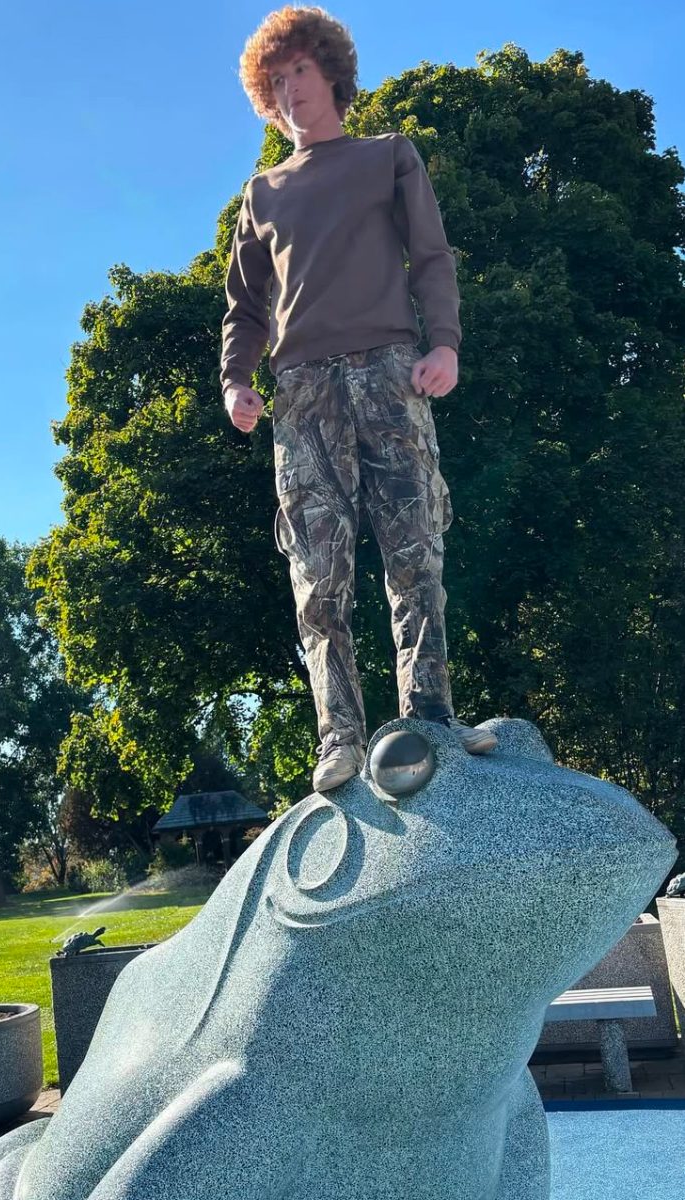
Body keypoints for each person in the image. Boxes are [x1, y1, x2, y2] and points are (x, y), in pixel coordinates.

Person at [220, 5, 497, 792]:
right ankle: (338, 737)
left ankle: (430, 716)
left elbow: (431, 256)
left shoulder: (387, 158)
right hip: (302, 391)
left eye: (299, 72)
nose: (288, 90)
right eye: (274, 82)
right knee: (318, 572)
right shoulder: (262, 194)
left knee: (414, 549)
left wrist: (443, 344)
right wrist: (237, 381)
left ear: (331, 74)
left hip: (388, 370)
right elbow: (242, 306)